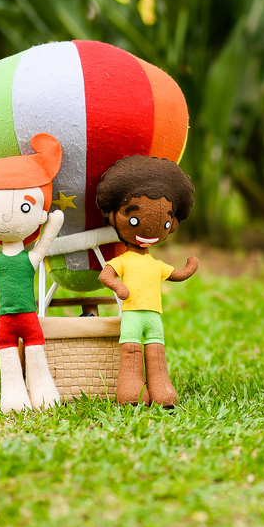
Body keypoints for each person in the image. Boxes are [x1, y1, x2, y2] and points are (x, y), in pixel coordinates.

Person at [0, 133, 65, 413]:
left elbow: (43, 244)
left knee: (36, 355)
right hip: (6, 321)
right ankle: (14, 398)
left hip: (28, 319)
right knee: (8, 363)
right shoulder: (0, 261)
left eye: (25, 207)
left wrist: (52, 224)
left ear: (39, 215)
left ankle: (43, 394)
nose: (6, 218)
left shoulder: (30, 259)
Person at [96, 155, 198, 408]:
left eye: (164, 222)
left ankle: (163, 393)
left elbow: (174, 274)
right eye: (134, 220)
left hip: (154, 317)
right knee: (130, 352)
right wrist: (119, 286)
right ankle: (130, 393)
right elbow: (106, 274)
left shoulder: (155, 264)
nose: (150, 231)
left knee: (156, 353)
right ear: (113, 218)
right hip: (132, 315)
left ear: (171, 224)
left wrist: (189, 268)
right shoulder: (124, 260)